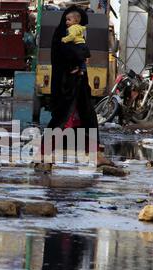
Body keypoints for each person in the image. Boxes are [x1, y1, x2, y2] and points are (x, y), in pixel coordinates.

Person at [40, 5, 111, 167]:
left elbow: (84, 53)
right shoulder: (60, 35)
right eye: (67, 19)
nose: (68, 22)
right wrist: (79, 55)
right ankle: (43, 154)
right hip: (66, 85)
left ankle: (96, 156)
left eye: (72, 20)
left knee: (89, 120)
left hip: (79, 86)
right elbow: (71, 54)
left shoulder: (78, 34)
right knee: (60, 119)